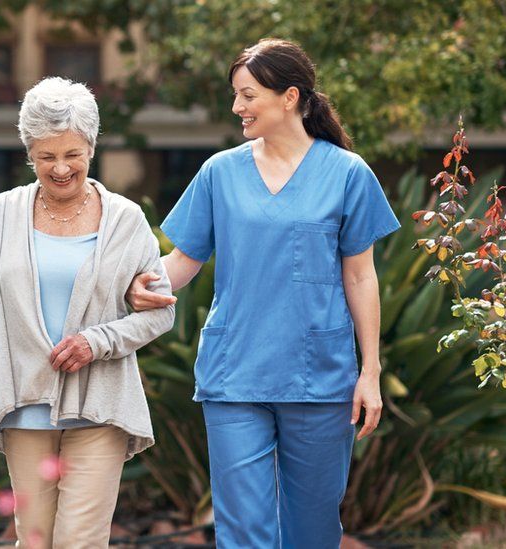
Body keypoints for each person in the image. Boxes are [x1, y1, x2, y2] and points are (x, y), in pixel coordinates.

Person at [126, 38, 400, 548]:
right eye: (236, 96)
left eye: (248, 95)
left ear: (290, 97)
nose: (237, 108)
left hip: (320, 376)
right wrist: (136, 282)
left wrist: (370, 371)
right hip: (236, 374)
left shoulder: (347, 173)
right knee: (242, 531)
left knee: (313, 530)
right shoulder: (219, 173)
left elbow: (361, 277)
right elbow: (183, 260)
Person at [0, 76, 175, 549]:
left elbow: (160, 312)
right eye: (47, 157)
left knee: (79, 541)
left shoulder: (125, 220)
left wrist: (96, 342)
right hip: (24, 404)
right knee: (35, 539)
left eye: (73, 154)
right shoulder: (1, 213)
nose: (61, 168)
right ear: (29, 153)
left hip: (100, 407)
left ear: (91, 146)